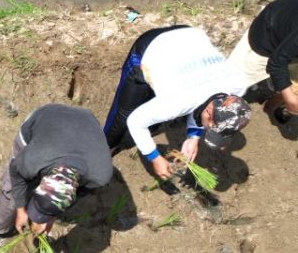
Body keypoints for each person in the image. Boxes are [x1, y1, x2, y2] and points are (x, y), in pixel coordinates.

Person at [104, 25, 250, 180]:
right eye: (210, 128)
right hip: (153, 45)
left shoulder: (238, 86)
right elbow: (135, 121)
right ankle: (106, 145)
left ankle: (152, 118)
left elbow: (203, 103)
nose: (208, 130)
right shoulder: (177, 102)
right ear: (208, 113)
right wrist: (155, 157)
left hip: (189, 39)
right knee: (124, 113)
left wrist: (193, 137)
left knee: (158, 101)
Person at [0, 104, 113, 241]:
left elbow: (79, 193)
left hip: (87, 125)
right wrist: (21, 210)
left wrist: (52, 217)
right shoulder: (34, 158)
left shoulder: (101, 176)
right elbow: (16, 172)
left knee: (36, 191)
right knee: (11, 190)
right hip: (47, 117)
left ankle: (37, 203)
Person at [227, 0, 298, 124]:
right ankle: (209, 115)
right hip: (267, 36)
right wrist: (289, 97)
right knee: (232, 83)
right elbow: (276, 62)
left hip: (290, 34)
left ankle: (271, 105)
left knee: (293, 84)